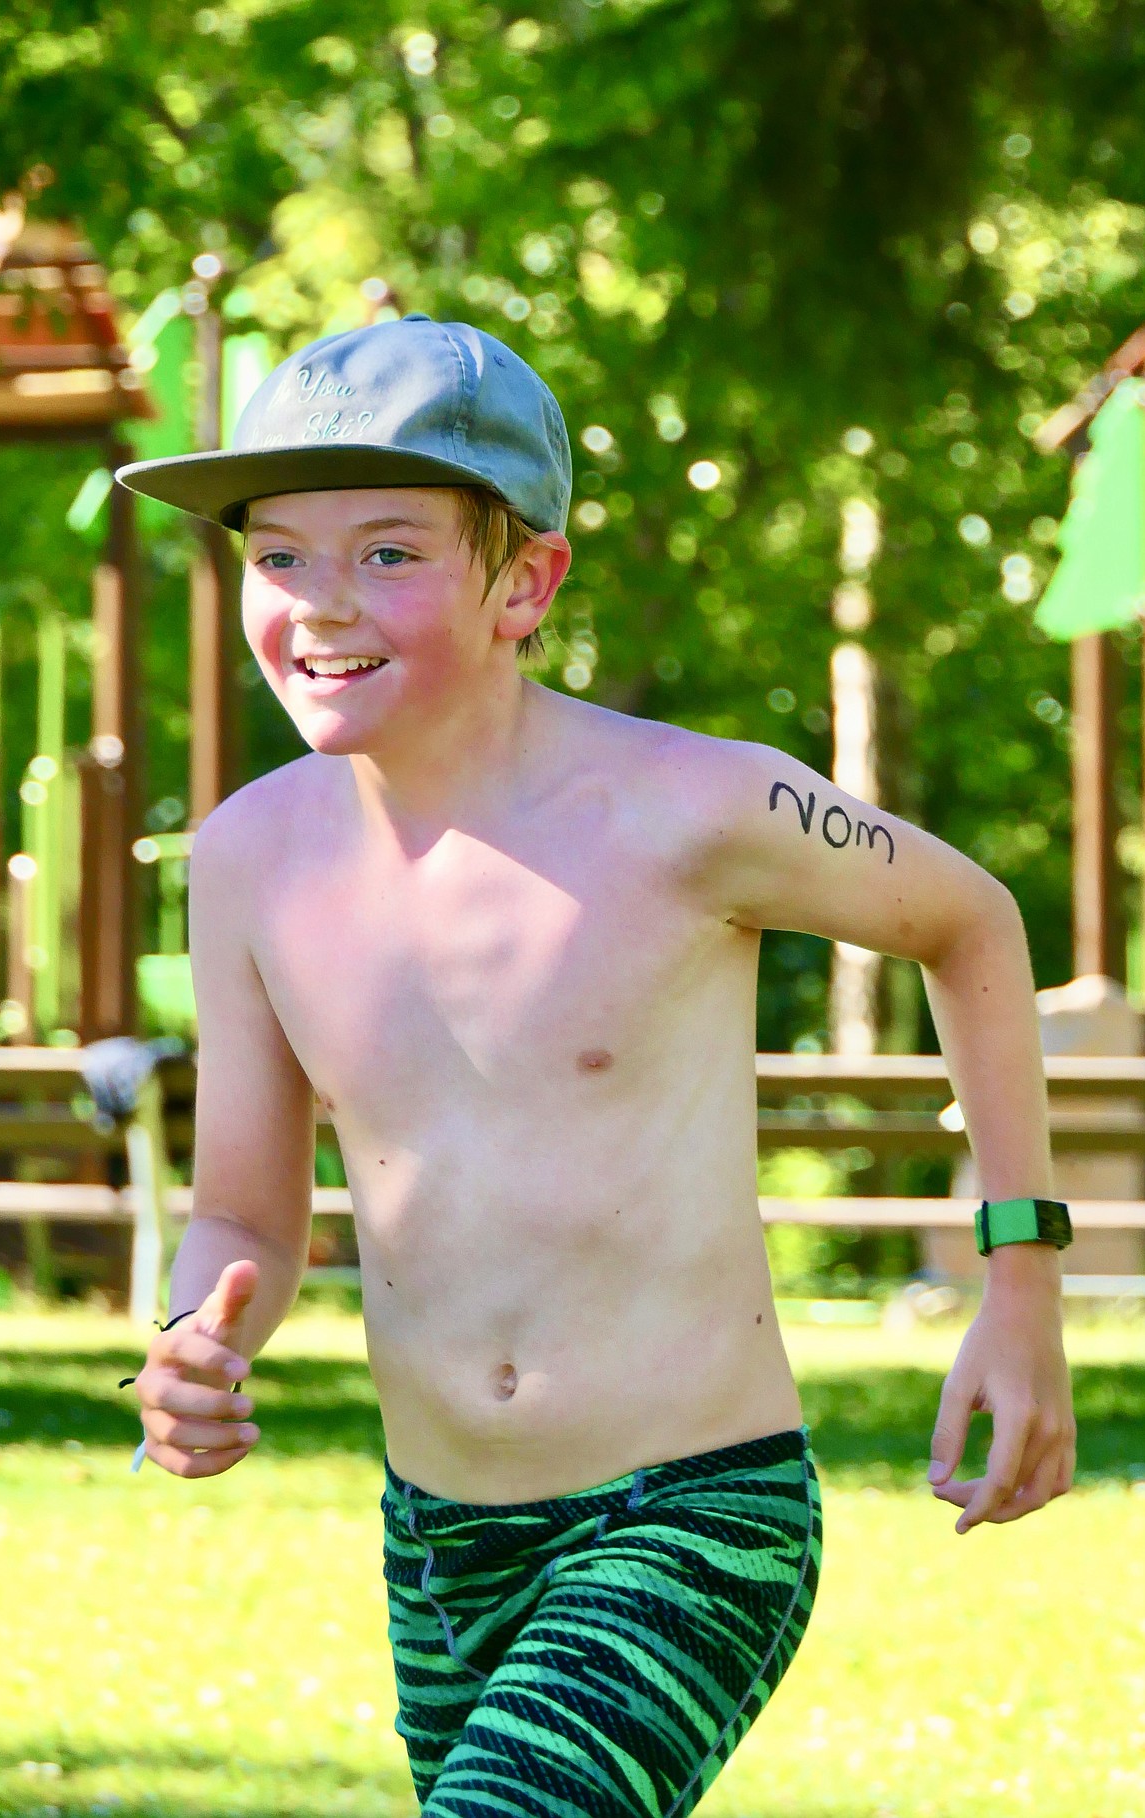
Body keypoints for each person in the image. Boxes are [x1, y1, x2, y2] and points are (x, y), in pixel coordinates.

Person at [117, 314, 1076, 1818]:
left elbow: (970, 919)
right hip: (436, 1546)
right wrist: (190, 1336)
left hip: (686, 1514)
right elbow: (244, 1211)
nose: (317, 603)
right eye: (279, 554)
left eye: (386, 552)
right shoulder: (251, 857)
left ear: (527, 580)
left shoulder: (689, 808)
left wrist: (1016, 1287)